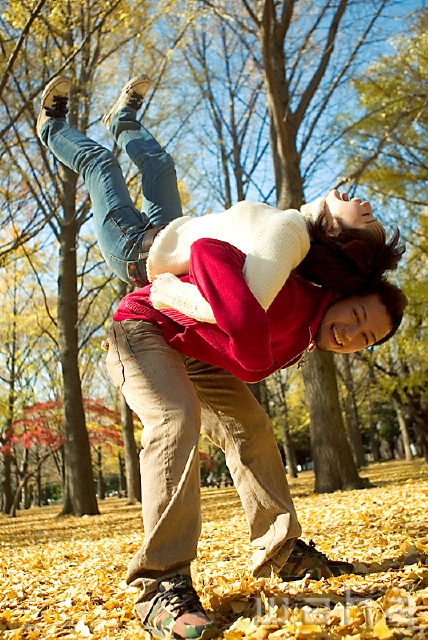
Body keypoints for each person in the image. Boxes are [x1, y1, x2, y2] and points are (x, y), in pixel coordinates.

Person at [37, 76, 407, 640]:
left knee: (253, 427)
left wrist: (251, 353)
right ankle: (161, 583)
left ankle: (280, 551)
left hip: (190, 336)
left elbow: (242, 343)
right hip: (144, 324)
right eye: (358, 316)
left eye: (367, 340)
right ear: (342, 290)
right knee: (174, 416)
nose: (355, 335)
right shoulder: (289, 277)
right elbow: (212, 254)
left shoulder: (307, 327)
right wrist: (252, 344)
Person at [36, 76, 404, 326]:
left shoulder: (292, 236)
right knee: (160, 164)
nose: (366, 204)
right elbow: (308, 217)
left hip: (136, 251)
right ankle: (121, 120)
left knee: (101, 164)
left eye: (368, 218)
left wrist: (168, 293)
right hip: (165, 232)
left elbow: (240, 309)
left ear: (343, 236)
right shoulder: (298, 227)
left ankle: (51, 127)